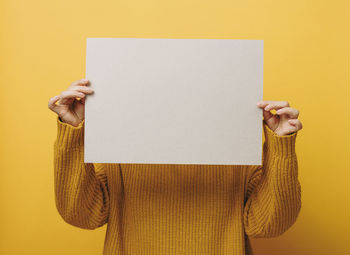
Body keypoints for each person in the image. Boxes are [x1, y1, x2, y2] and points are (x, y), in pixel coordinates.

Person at [48, 78, 303, 255]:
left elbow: (269, 225)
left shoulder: (236, 151)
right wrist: (72, 129)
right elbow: (81, 215)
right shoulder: (121, 150)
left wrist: (281, 143)